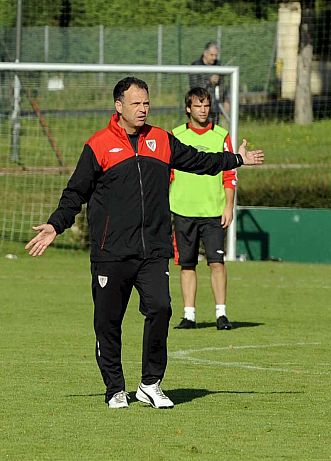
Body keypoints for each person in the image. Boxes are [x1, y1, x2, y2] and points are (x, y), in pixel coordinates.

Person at [25, 77, 263, 409]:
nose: (143, 109)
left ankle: (150, 383)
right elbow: (74, 194)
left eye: (146, 103)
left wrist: (236, 160)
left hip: (153, 250)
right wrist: (55, 225)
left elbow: (201, 161)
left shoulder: (161, 140)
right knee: (108, 323)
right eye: (136, 103)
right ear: (118, 106)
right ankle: (114, 389)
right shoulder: (98, 146)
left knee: (162, 308)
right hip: (111, 253)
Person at [171, 87, 236, 331]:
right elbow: (166, 173)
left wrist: (228, 206)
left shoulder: (221, 136)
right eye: (198, 106)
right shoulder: (175, 135)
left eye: (206, 105)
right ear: (188, 108)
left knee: (216, 262)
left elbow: (230, 174)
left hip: (213, 211)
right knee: (186, 264)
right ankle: (189, 315)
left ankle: (221, 314)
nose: (203, 110)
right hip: (183, 210)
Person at [189, 41, 229, 124]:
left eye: (216, 55)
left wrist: (225, 100)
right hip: (200, 107)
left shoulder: (218, 65)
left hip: (215, 108)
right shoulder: (195, 66)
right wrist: (209, 81)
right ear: (205, 53)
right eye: (212, 55)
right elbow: (194, 87)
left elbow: (222, 85)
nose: (214, 58)